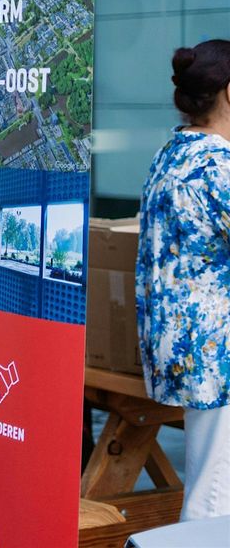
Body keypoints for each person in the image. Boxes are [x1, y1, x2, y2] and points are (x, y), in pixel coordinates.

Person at [137, 39, 230, 522]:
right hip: (216, 352)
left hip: (175, 343)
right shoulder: (219, 166)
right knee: (215, 495)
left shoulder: (170, 153)